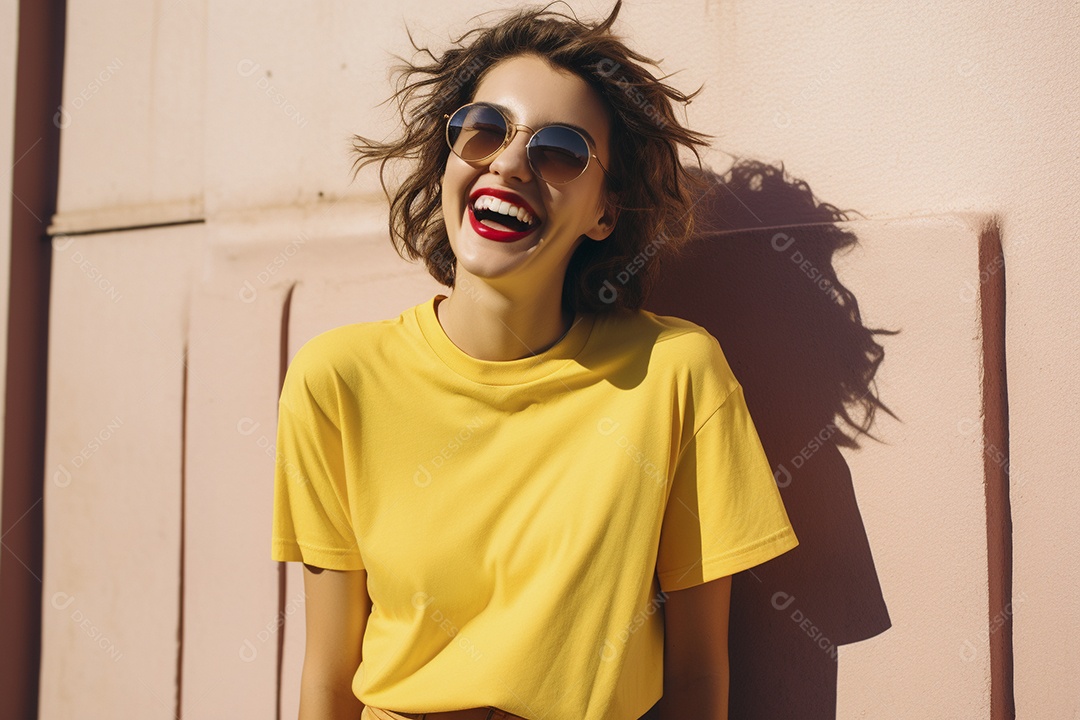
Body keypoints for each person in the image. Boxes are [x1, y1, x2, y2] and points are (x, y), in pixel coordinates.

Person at [270, 2, 799, 718]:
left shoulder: (675, 375)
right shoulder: (337, 380)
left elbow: (699, 678)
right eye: (484, 129)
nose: (510, 162)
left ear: (604, 212)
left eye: (560, 151)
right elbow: (329, 678)